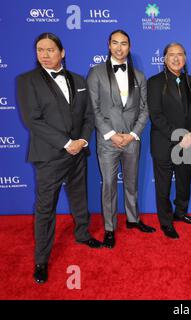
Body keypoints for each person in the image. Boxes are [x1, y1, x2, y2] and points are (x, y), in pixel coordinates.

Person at [17, 32, 103, 284]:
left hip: (78, 151)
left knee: (79, 197)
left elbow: (89, 116)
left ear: (62, 52)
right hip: (50, 155)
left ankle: (82, 234)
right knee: (45, 209)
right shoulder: (27, 81)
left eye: (50, 50)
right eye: (40, 50)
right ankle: (41, 260)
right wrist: (67, 143)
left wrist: (82, 141)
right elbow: (33, 120)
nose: (44, 55)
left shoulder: (78, 79)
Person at [87, 30, 155, 249]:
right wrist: (111, 134)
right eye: (115, 43)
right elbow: (94, 108)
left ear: (129, 46)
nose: (119, 47)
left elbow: (145, 109)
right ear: (108, 45)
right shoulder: (96, 73)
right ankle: (109, 228)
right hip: (108, 140)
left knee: (132, 181)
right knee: (108, 185)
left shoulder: (140, 76)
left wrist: (134, 134)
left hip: (132, 139)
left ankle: (133, 219)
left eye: (123, 43)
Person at [147, 42, 191, 239]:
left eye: (180, 54)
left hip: (188, 142)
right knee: (163, 186)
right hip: (165, 142)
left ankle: (181, 213)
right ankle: (166, 222)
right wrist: (181, 136)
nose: (176, 58)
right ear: (164, 58)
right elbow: (156, 115)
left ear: (185, 58)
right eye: (172, 54)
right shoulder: (154, 82)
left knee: (183, 182)